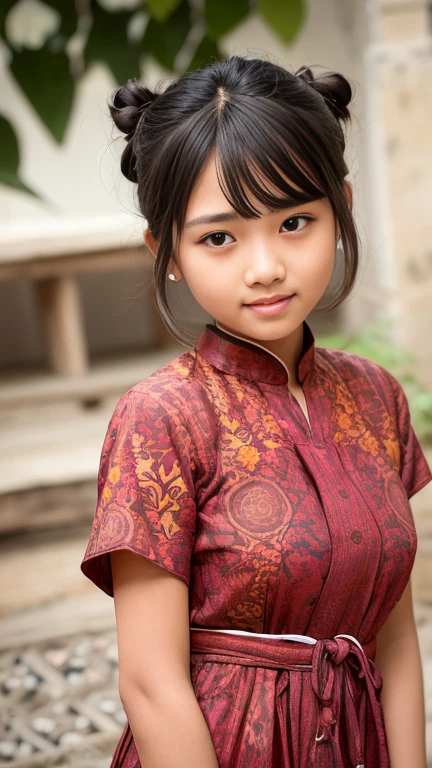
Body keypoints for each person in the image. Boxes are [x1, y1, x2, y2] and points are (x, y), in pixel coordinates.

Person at [80, 55, 432, 768]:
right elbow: (150, 684)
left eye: (295, 221)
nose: (265, 265)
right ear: (167, 251)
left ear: (343, 210)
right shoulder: (162, 420)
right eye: (220, 237)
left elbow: (392, 636)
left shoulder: (375, 397)